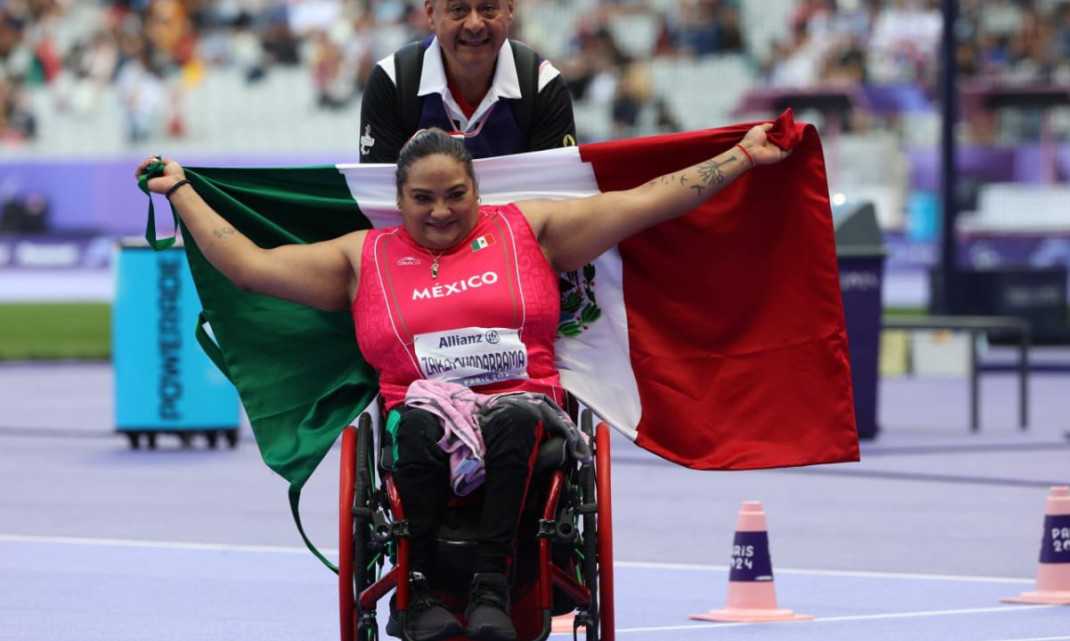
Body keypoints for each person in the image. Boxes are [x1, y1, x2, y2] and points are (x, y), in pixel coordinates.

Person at [136, 125, 790, 641]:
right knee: (417, 423)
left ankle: (490, 589)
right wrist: (180, 190)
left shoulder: (527, 229)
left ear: (478, 189)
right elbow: (250, 268)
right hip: (417, 423)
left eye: (456, 194)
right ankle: (417, 594)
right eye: (422, 198)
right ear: (398, 202)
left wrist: (740, 155)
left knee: (513, 419)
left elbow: (647, 202)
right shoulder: (361, 258)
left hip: (524, 416)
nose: (441, 211)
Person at [358, 0, 576, 163]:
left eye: (488, 8)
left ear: (510, 10)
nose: (474, 24)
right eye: (458, 10)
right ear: (431, 14)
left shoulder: (543, 85)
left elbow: (557, 202)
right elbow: (379, 201)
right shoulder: (391, 81)